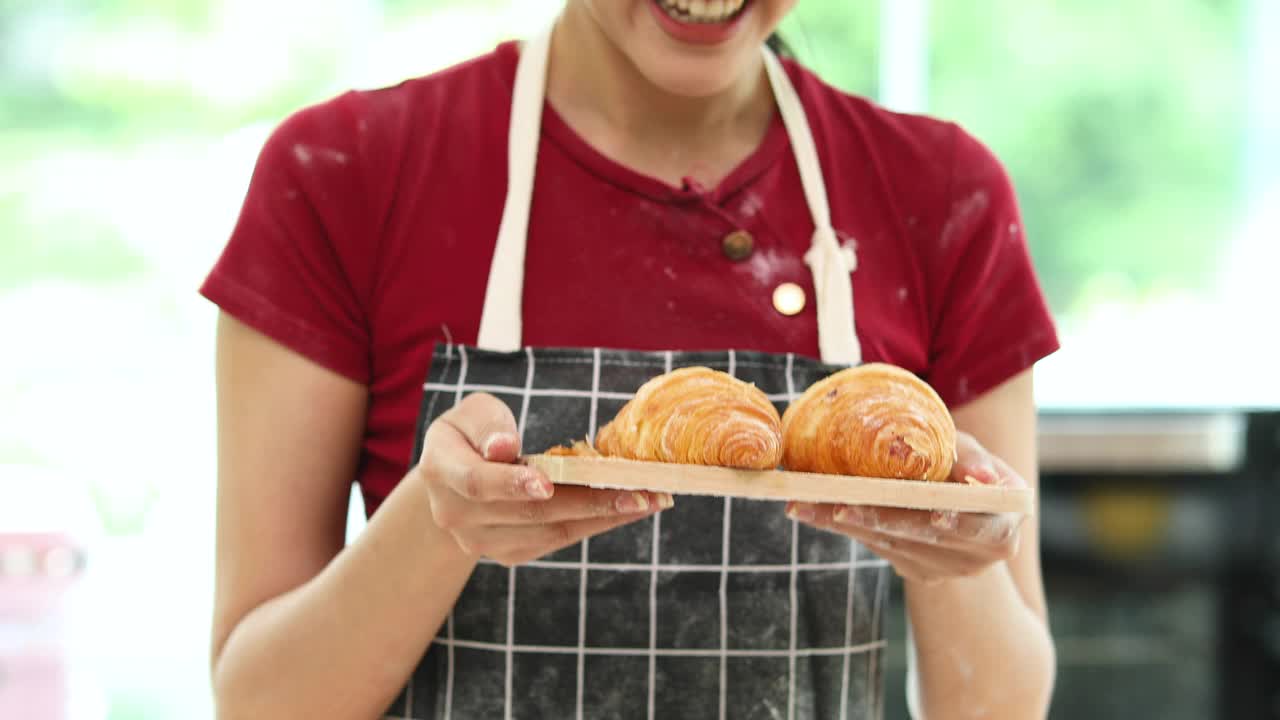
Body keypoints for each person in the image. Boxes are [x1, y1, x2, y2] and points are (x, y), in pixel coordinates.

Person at [201, 1, 1059, 718]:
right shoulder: (344, 176)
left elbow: (1002, 702)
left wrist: (955, 556)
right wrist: (435, 524)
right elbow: (260, 699)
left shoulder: (942, 196)